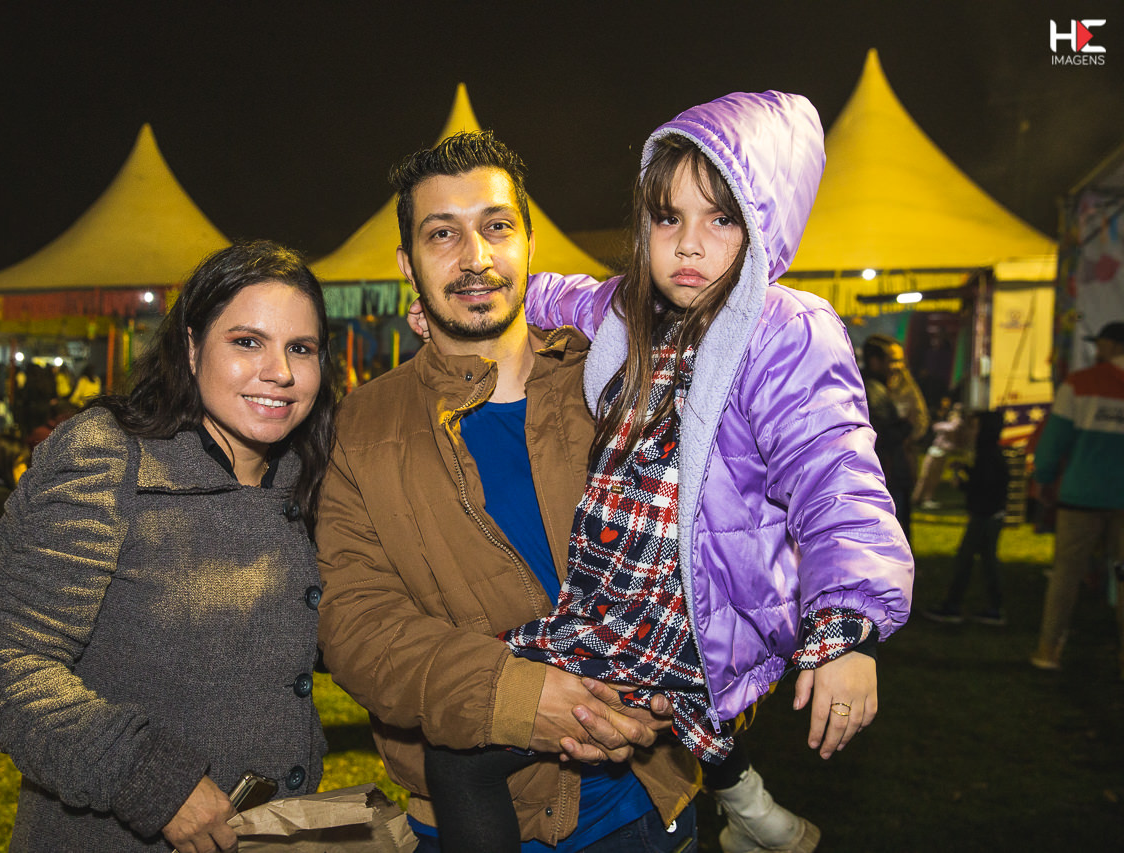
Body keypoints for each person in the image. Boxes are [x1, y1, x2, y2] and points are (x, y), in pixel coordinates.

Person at [433, 92, 914, 853]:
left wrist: (849, 629)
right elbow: (554, 294)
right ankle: (753, 811)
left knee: (463, 751)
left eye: (721, 219)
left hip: (672, 618)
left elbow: (837, 479)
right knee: (572, 708)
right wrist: (466, 302)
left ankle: (745, 801)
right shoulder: (633, 312)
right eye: (667, 219)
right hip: (612, 597)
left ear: (765, 226)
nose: (689, 245)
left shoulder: (784, 331)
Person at [316, 131, 701, 853]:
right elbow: (357, 625)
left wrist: (684, 683)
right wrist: (517, 698)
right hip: (471, 820)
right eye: (442, 233)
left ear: (528, 244)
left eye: (496, 227)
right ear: (406, 264)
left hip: (645, 805)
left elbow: (721, 550)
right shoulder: (364, 427)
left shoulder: (621, 385)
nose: (475, 257)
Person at [0, 240, 338, 852]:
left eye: (301, 348)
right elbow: (1, 667)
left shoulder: (308, 474)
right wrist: (154, 782)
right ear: (191, 347)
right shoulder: (110, 458)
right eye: (247, 342)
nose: (280, 372)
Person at [1030, 320, 1124, 679]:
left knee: (1066, 575)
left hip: (1082, 496)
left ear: (1110, 346)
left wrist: (1043, 479)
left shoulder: (1081, 383)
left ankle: (1048, 650)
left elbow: (1054, 441)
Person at [921, 410, 1010, 625]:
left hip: (985, 516)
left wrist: (962, 483)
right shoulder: (990, 453)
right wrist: (967, 470)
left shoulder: (988, 455)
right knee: (984, 562)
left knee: (966, 561)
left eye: (975, 427)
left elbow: (984, 486)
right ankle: (992, 608)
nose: (970, 432)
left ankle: (953, 607)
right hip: (990, 514)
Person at [861, 335, 917, 539]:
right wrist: (907, 425)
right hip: (888, 476)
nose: (900, 367)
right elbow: (882, 435)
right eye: (894, 360)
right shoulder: (873, 391)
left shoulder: (879, 388)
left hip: (890, 475)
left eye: (901, 360)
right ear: (875, 361)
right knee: (894, 536)